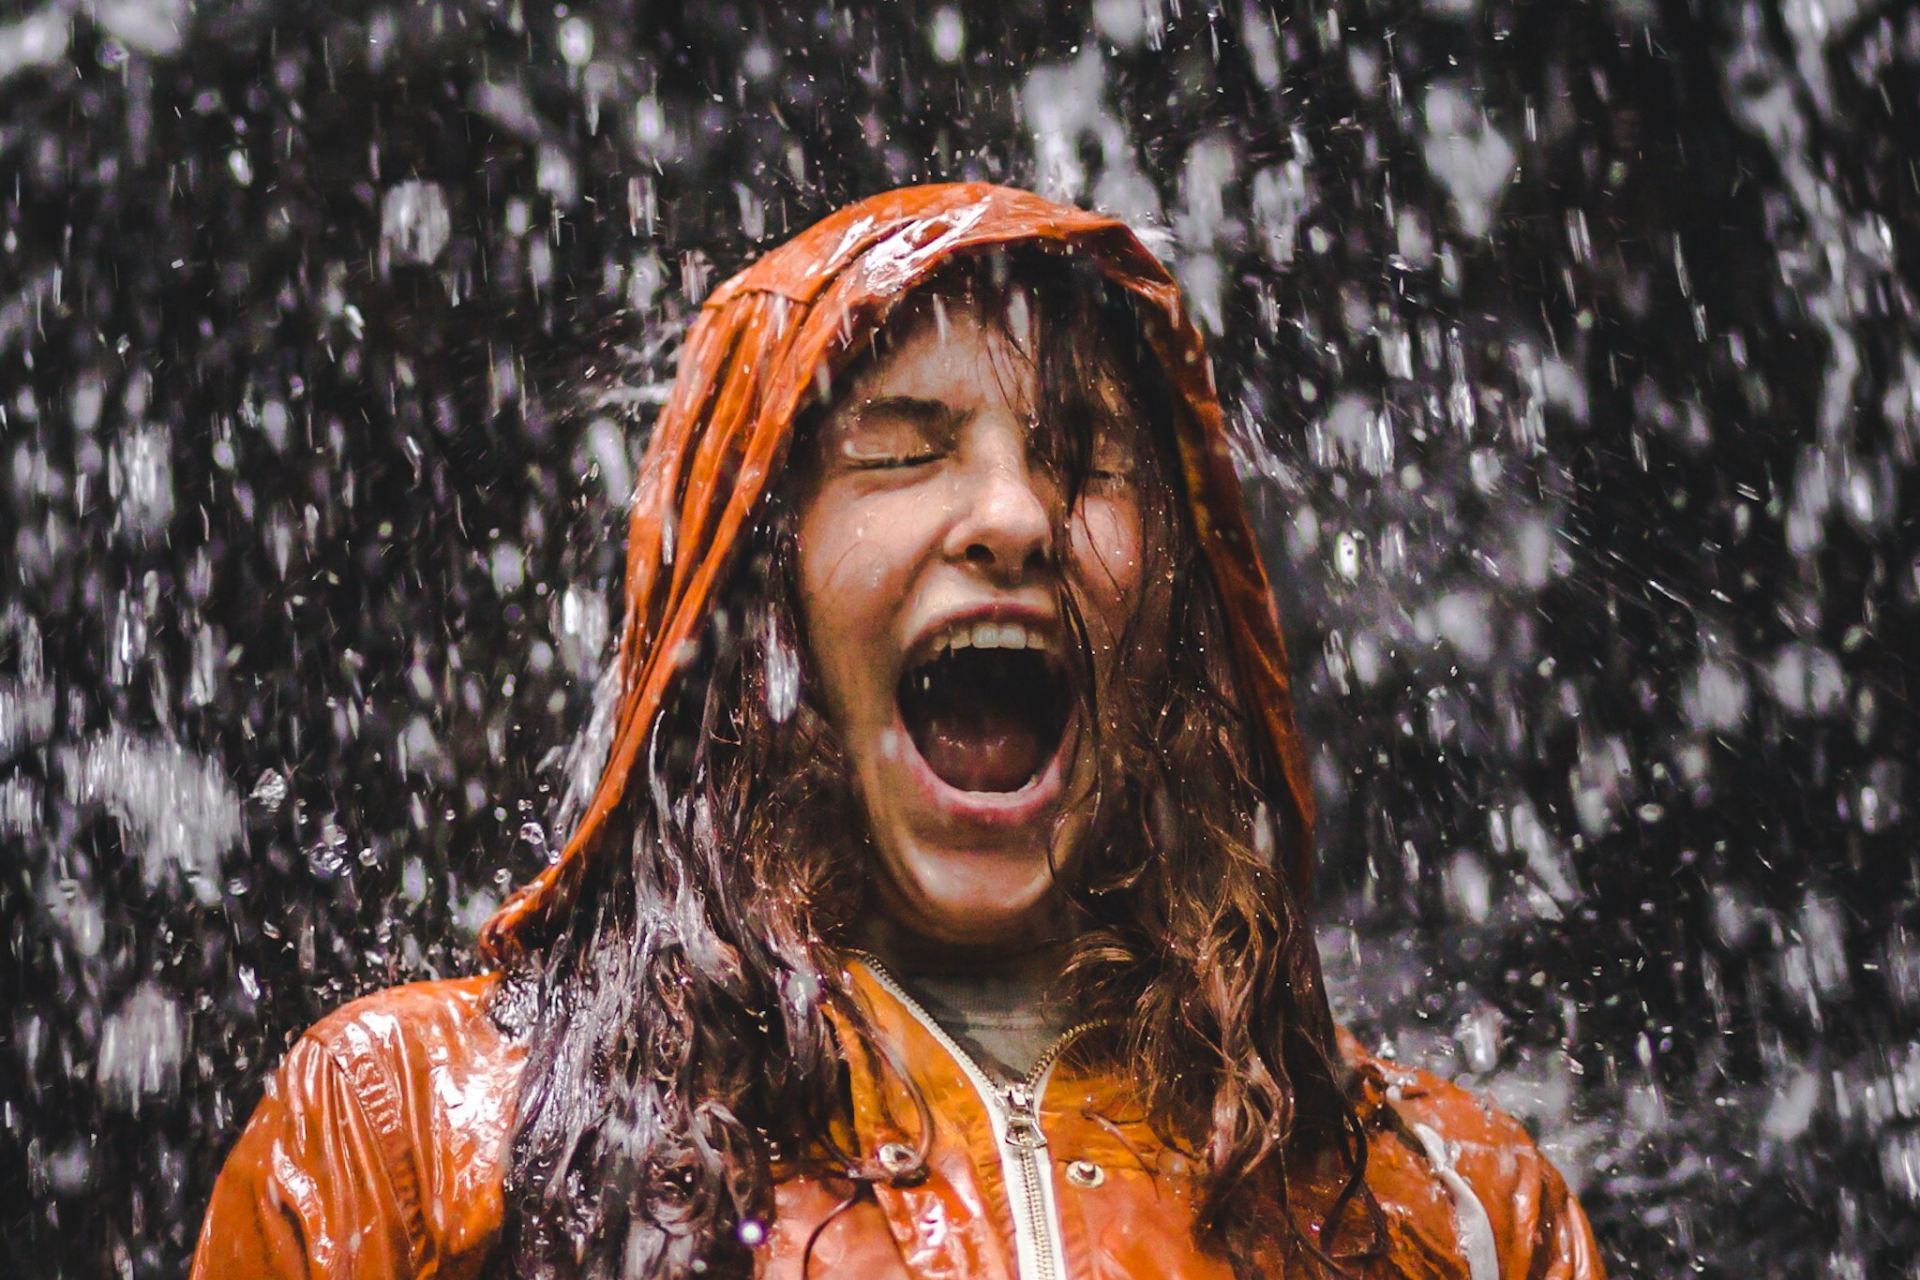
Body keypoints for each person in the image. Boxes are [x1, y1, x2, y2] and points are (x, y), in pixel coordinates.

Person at [190, 183, 1602, 1280]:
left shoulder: (1455, 1208)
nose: (1013, 517)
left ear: (1176, 616)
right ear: (755, 595)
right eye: (907, 447)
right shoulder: (406, 1141)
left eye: (1085, 461)